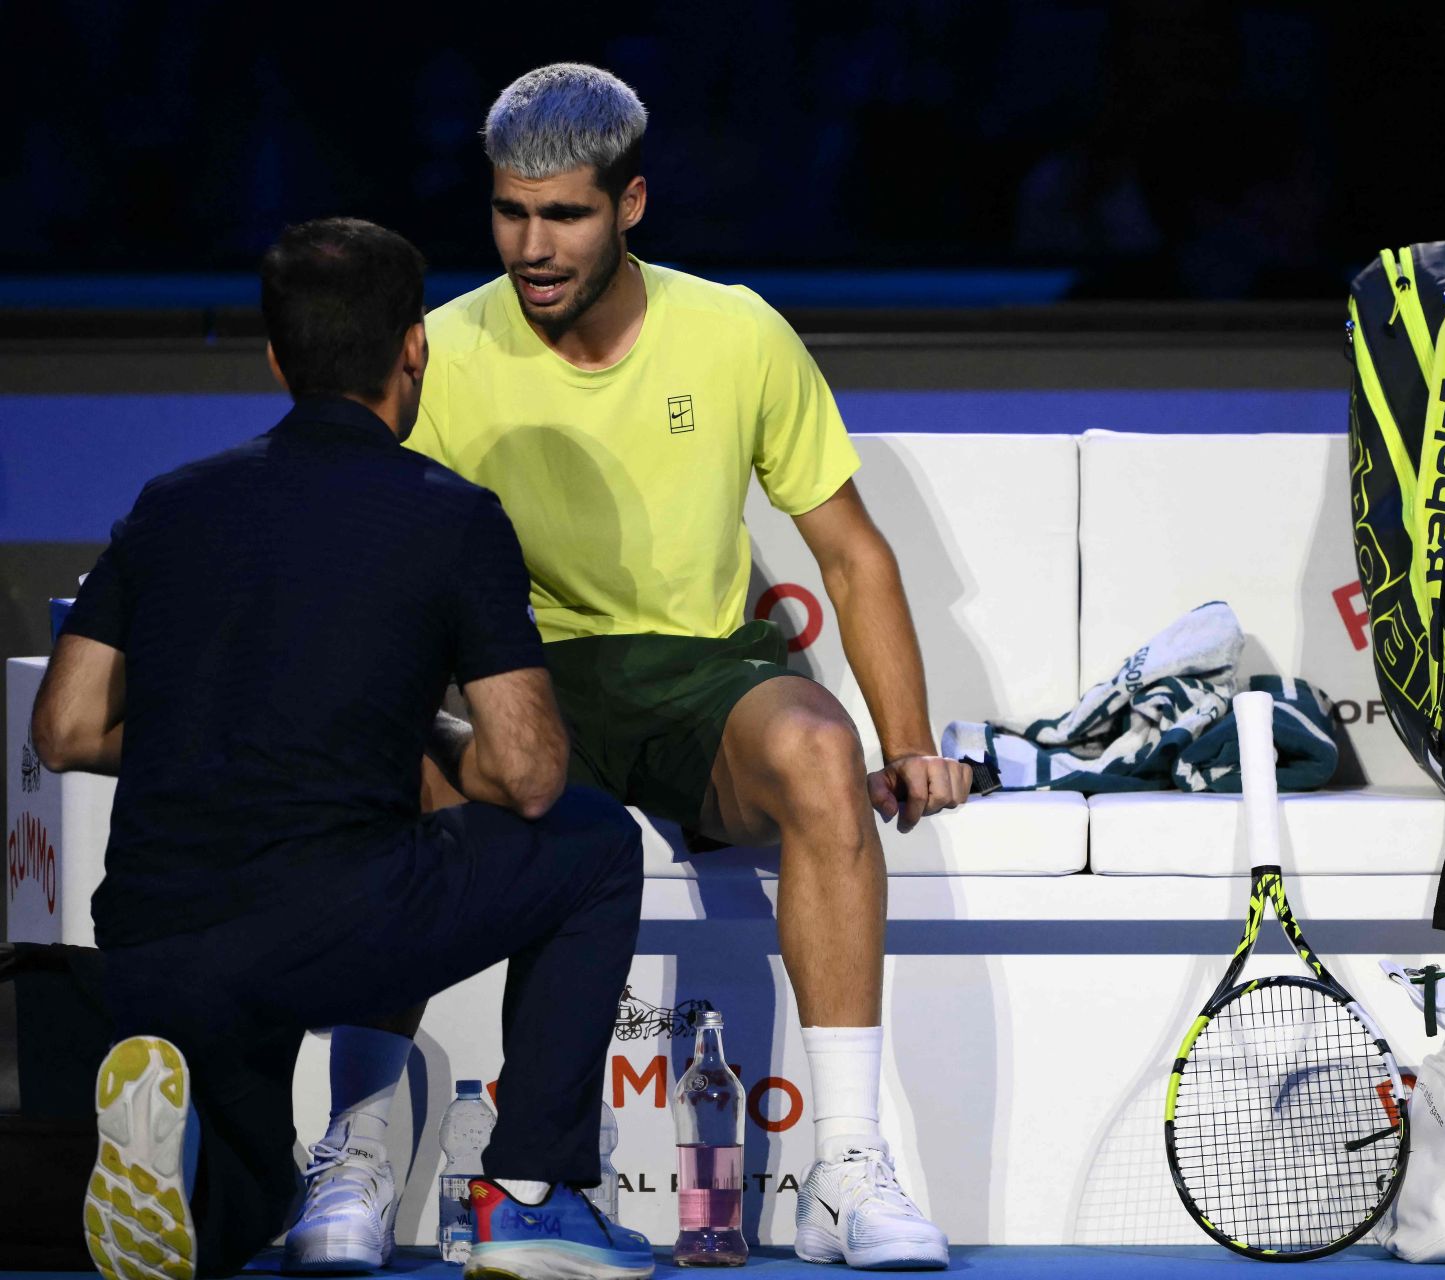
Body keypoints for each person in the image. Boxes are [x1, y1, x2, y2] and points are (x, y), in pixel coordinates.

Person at [289, 63, 962, 1272]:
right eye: (509, 212)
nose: (532, 245)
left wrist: (909, 741)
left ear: (631, 203)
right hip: (521, 687)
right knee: (378, 765)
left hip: (701, 680)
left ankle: (848, 1164)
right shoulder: (437, 350)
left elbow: (853, 557)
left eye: (565, 214)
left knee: (819, 745)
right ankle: (359, 1150)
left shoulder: (737, 330)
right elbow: (355, 544)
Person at [34, 218, 655, 1280]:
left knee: (250, 1203)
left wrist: (227, 723)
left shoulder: (168, 503)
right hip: (330, 923)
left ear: (276, 359)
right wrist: (414, 737)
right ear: (415, 347)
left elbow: (67, 727)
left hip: (150, 939)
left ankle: (175, 1156)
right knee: (593, 841)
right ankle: (534, 1197)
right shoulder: (450, 517)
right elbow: (529, 772)